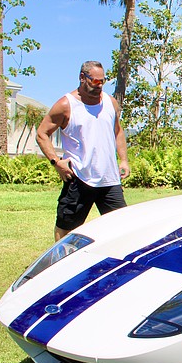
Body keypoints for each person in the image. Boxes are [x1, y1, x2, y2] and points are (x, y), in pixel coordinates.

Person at [36, 61, 130, 241]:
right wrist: (56, 162)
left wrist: (123, 160)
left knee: (122, 228)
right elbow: (42, 133)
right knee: (66, 230)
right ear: (82, 78)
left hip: (109, 179)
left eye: (103, 81)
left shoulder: (110, 102)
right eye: (95, 81)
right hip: (79, 178)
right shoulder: (66, 105)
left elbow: (117, 131)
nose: (100, 85)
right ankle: (62, 264)